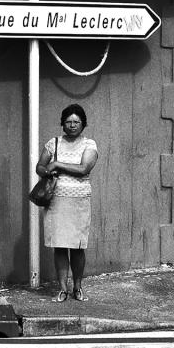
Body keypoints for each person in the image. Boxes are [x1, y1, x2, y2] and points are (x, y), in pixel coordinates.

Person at [38, 103, 99, 300]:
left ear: (83, 124)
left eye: (76, 122)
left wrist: (56, 164)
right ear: (63, 124)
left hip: (79, 200)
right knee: (60, 245)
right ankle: (63, 288)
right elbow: (40, 166)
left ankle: (78, 287)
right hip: (56, 200)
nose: (72, 125)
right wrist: (46, 170)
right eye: (68, 122)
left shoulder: (89, 145)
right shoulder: (53, 143)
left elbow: (84, 169)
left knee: (78, 246)